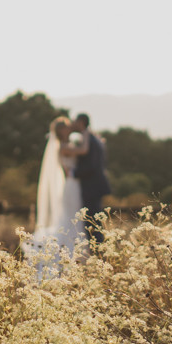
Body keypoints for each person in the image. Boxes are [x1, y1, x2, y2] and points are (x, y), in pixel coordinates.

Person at [26, 116, 88, 277]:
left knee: (74, 217)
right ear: (61, 130)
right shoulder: (62, 147)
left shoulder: (66, 145)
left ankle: (76, 253)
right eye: (67, 127)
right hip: (70, 185)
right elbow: (83, 150)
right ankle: (69, 252)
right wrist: (86, 133)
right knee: (71, 217)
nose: (70, 129)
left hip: (74, 184)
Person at [72, 113, 110, 250]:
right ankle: (97, 249)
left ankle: (98, 250)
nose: (73, 124)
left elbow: (91, 166)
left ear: (81, 122)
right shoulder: (92, 138)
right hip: (94, 186)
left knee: (92, 220)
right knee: (94, 219)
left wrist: (73, 173)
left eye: (75, 121)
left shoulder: (90, 141)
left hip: (92, 186)